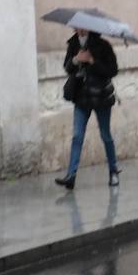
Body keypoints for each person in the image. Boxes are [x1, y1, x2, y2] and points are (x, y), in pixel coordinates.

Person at [55, 29, 120, 191]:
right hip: (81, 98)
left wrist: (92, 61)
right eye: (76, 27)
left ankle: (113, 171)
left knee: (105, 135)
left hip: (101, 97)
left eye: (82, 27)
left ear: (88, 28)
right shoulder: (73, 44)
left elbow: (113, 70)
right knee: (77, 136)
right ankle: (71, 176)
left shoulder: (103, 45)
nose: (79, 30)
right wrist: (76, 59)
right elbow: (67, 67)